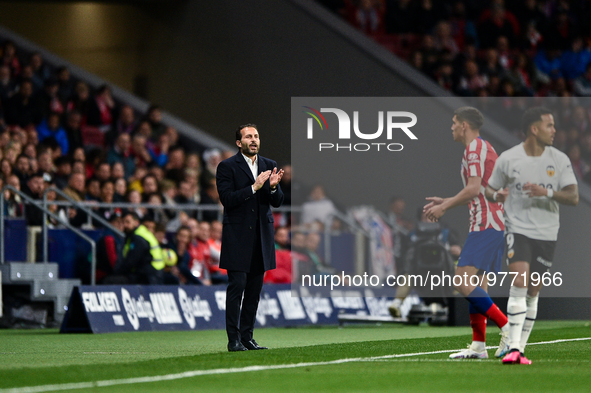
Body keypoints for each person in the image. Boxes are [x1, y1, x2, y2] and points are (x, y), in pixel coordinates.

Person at [485, 107, 579, 365]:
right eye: (549, 125)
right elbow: (489, 189)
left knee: (533, 291)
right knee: (519, 280)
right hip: (518, 229)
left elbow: (573, 196)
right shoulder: (509, 158)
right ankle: (513, 347)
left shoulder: (559, 160)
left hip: (547, 233)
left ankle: (520, 348)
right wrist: (497, 196)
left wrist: (546, 193)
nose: (554, 130)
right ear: (534, 129)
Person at [424, 107, 509, 359]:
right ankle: (478, 346)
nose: (451, 127)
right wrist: (447, 200)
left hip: (486, 223)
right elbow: (479, 190)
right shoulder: (481, 148)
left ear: (464, 125)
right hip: (489, 223)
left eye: (453, 123)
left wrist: (444, 207)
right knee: (477, 284)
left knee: (461, 281)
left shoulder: (474, 149)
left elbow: (473, 190)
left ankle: (507, 327)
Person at [216, 123, 284, 352]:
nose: (253, 140)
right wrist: (254, 187)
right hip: (237, 236)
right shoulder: (226, 167)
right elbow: (227, 199)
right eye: (248, 137)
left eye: (256, 136)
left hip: (262, 237)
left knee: (254, 290)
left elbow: (277, 202)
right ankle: (233, 339)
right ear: (239, 143)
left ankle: (247, 337)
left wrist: (273, 188)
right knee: (237, 287)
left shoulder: (269, 165)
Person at [106, 211, 164, 285]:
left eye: (128, 222)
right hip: (152, 273)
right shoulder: (139, 233)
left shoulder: (138, 238)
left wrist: (117, 273)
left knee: (110, 280)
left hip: (150, 275)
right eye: (123, 222)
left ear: (136, 222)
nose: (125, 225)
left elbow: (132, 261)